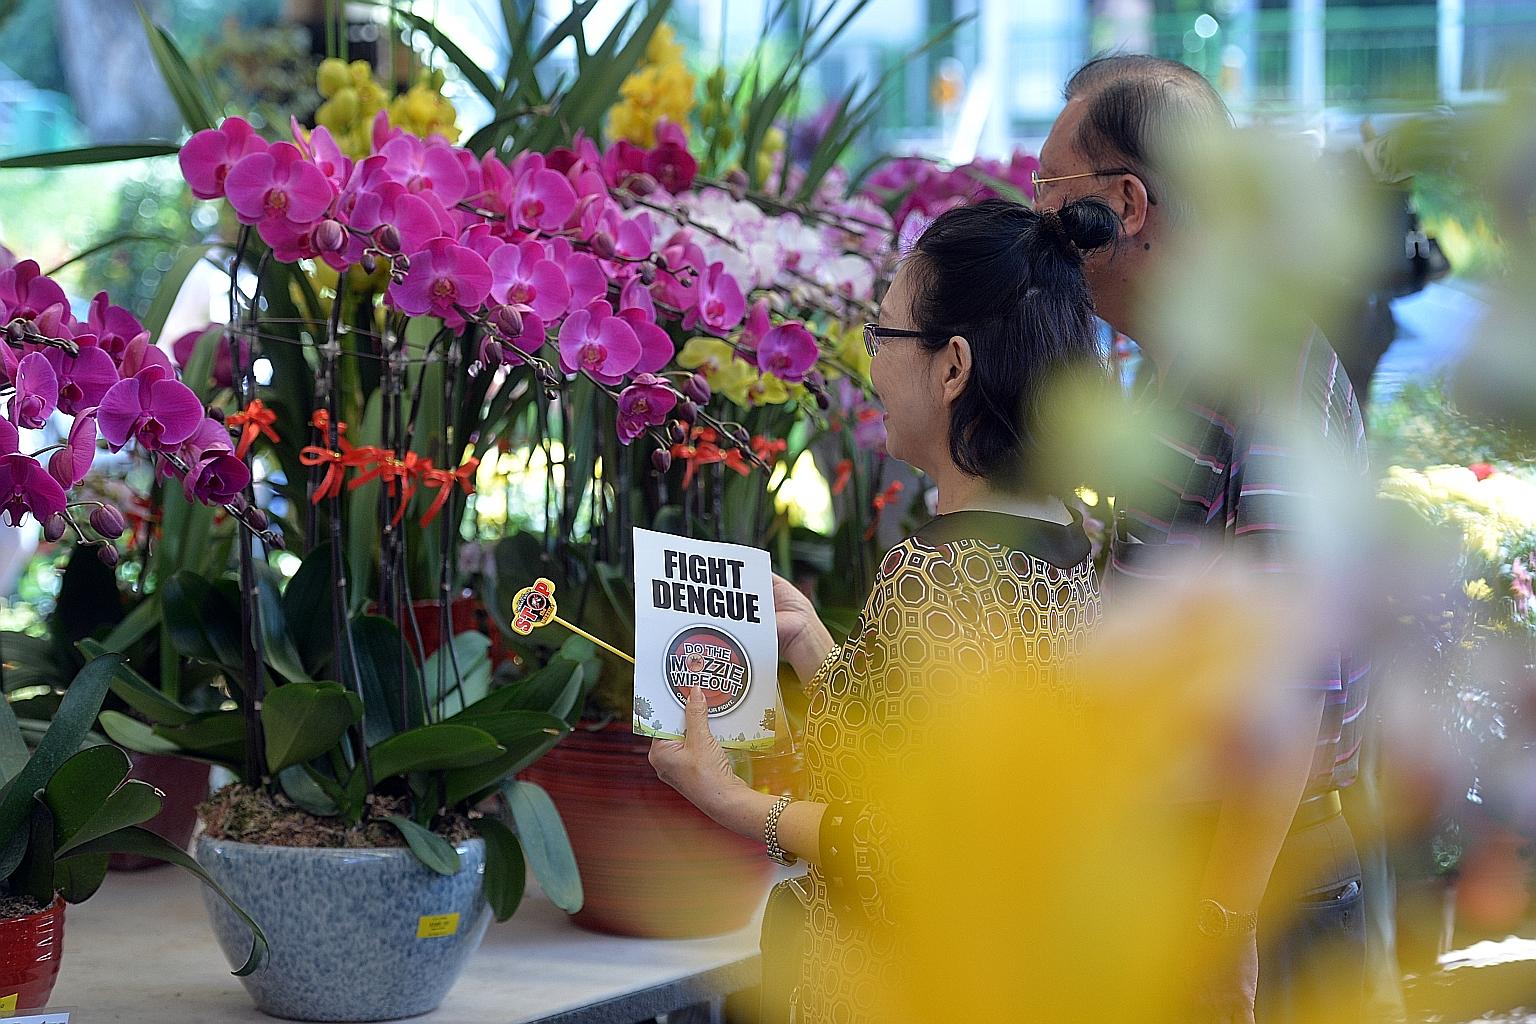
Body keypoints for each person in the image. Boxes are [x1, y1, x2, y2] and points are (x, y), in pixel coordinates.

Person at [650, 196, 1116, 1023]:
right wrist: (815, 648)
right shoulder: (1071, 534)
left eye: (884, 335)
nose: (871, 366)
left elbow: (908, 846)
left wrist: (730, 800)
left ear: (952, 367)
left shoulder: (938, 573)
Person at [1032, 54, 1373, 1024]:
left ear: (1126, 203)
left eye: (1050, 187)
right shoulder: (1177, 366)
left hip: (1252, 894)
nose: (1037, 219)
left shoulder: (1258, 371)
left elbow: (1286, 681)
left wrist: (1221, 930)